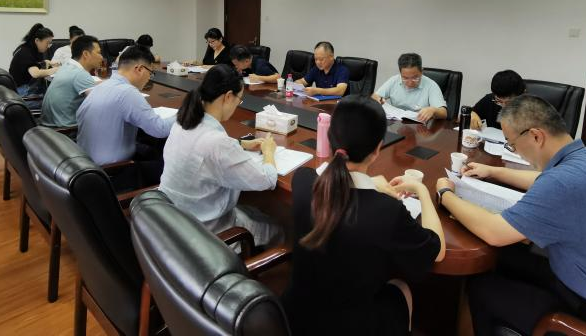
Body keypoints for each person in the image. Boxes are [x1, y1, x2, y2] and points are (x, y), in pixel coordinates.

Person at [435, 95, 586, 336]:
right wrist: (493, 171)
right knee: (505, 257)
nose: (515, 151)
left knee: (482, 287)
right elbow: (544, 180)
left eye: (512, 144)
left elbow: (493, 232)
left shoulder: (564, 183)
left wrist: (445, 194)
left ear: (536, 136)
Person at [282, 96, 446, 336]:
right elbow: (437, 251)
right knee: (400, 287)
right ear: (378, 148)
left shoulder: (303, 181)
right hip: (351, 326)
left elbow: (325, 178)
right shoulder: (387, 211)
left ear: (330, 137)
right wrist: (422, 190)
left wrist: (370, 184)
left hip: (295, 318)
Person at [158, 64, 283, 247]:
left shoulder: (183, 121)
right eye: (239, 100)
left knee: (254, 211)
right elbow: (266, 180)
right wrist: (269, 152)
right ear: (228, 96)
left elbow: (202, 145)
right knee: (279, 229)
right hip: (209, 234)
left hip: (176, 221)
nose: (237, 105)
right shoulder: (217, 143)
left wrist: (240, 144)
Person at [77, 46, 174, 188]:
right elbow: (160, 130)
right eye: (151, 73)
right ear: (139, 69)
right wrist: (184, 113)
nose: (149, 78)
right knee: (172, 166)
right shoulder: (128, 93)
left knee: (150, 149)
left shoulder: (101, 86)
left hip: (86, 164)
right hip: (112, 172)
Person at [40, 35, 103, 128]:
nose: (101, 57)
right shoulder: (80, 74)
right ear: (86, 54)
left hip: (49, 128)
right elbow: (101, 104)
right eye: (99, 53)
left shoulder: (67, 66)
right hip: (66, 130)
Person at [371, 52, 447, 122]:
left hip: (420, 127)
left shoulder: (431, 85)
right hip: (397, 123)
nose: (410, 83)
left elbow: (444, 113)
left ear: (421, 71)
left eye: (415, 78)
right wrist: (377, 99)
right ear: (400, 73)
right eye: (405, 78)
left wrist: (433, 110)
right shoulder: (394, 80)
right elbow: (375, 96)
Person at [9, 23, 58, 106]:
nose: (49, 46)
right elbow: (35, 73)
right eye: (47, 43)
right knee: (55, 102)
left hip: (19, 89)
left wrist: (46, 62)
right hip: (23, 93)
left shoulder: (25, 47)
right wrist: (55, 70)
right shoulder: (26, 53)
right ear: (37, 40)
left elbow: (32, 64)